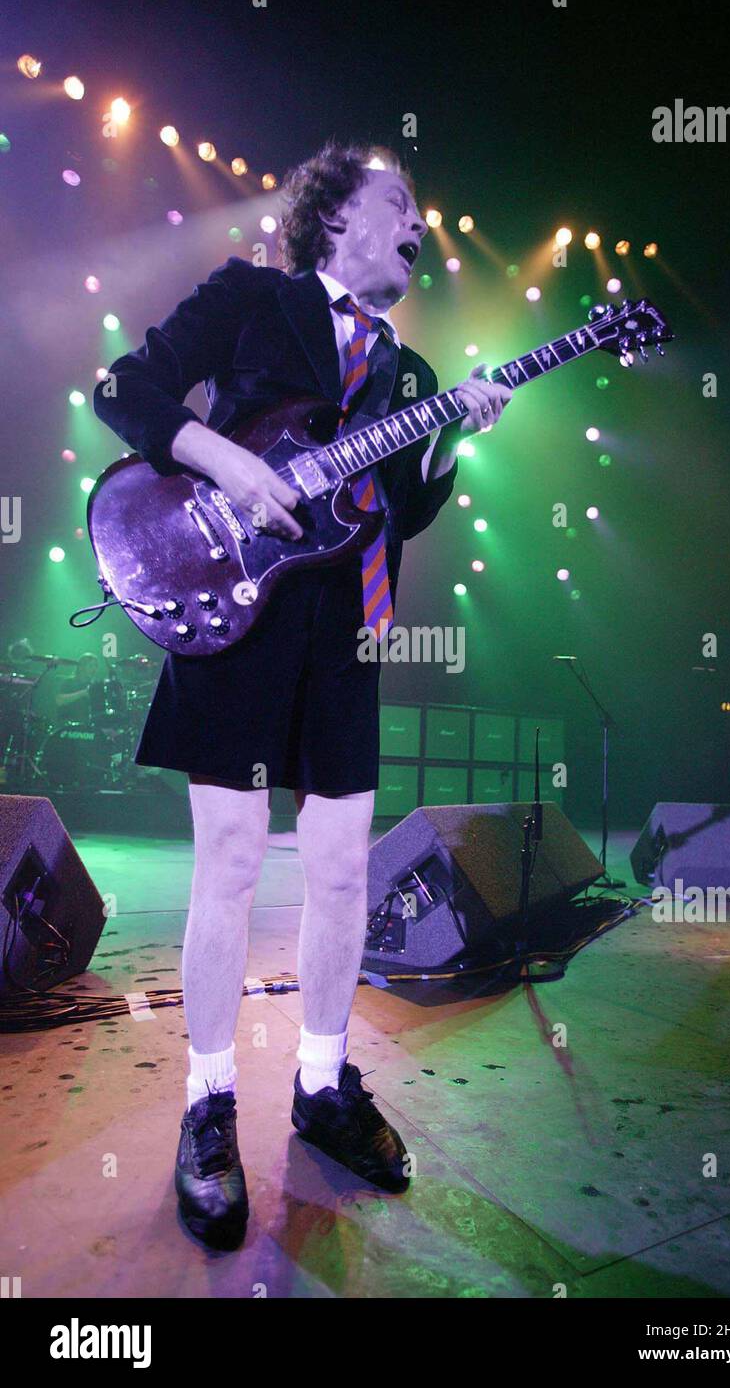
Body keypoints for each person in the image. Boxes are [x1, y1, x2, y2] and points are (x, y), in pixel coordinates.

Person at [93, 140, 512, 1248]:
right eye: (401, 204)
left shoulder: (410, 375)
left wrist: (453, 437)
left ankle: (323, 1088)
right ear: (334, 218)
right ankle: (209, 1101)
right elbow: (124, 390)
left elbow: (405, 515)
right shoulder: (253, 297)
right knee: (229, 863)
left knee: (338, 872)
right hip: (233, 611)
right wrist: (236, 469)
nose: (422, 225)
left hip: (344, 635)